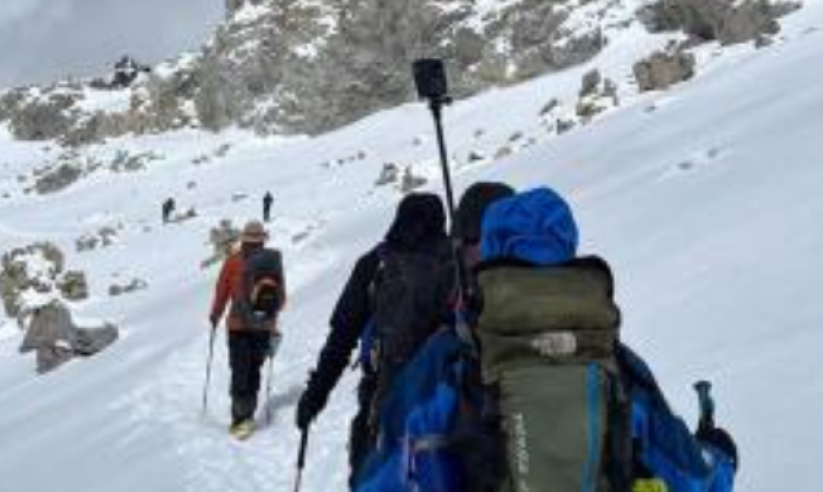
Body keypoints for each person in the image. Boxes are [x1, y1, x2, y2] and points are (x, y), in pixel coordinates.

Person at [356, 187, 738, 492]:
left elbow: (377, 480)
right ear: (565, 249)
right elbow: (697, 479)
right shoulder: (612, 361)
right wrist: (719, 452)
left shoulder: (447, 363)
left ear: (490, 256)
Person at [295, 192, 451, 487]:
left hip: (382, 398)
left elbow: (342, 336)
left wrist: (315, 396)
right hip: (447, 400)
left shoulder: (375, 263)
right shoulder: (455, 263)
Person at [209, 220, 286, 437]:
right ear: (263, 239)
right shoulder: (272, 261)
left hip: (238, 325)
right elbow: (281, 299)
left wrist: (215, 314)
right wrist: (269, 318)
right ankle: (247, 415)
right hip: (264, 326)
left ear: (244, 238)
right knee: (254, 370)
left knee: (240, 369)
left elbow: (222, 290)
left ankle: (240, 418)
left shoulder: (233, 261)